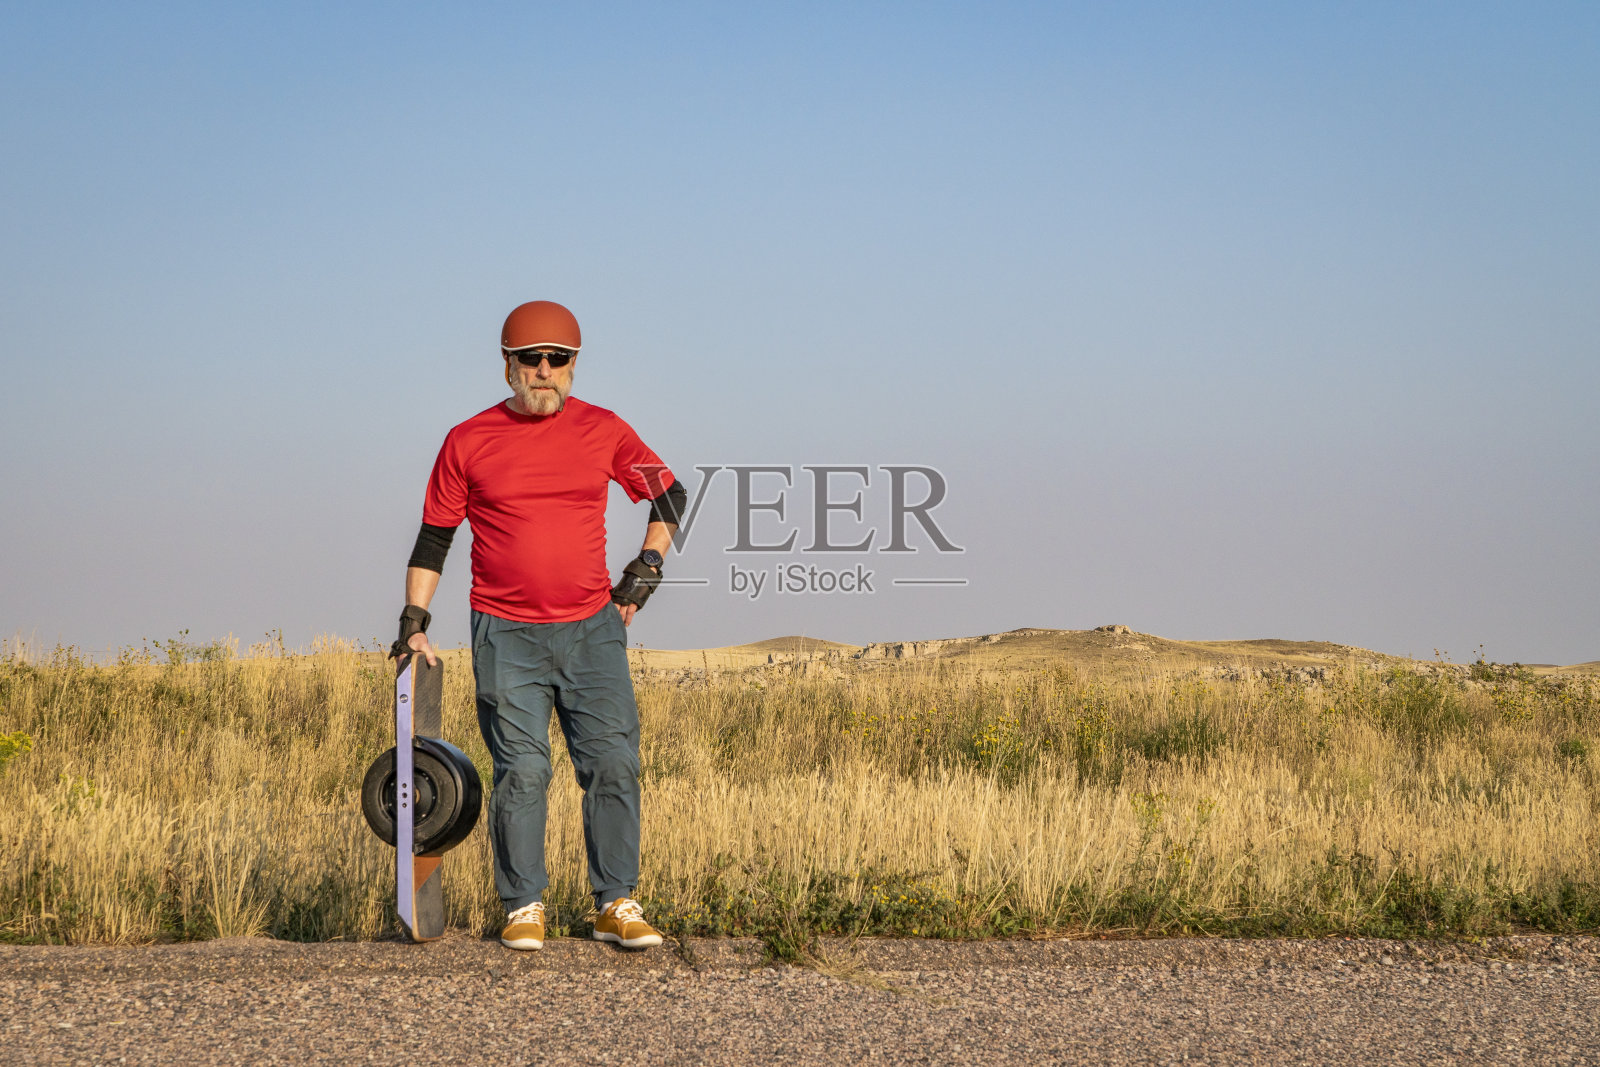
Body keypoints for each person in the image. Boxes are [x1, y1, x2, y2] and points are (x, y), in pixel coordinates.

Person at [392, 299, 686, 951]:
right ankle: (523, 904)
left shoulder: (605, 430)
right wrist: (415, 620)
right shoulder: (467, 440)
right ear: (508, 367)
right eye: (532, 359)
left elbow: (670, 492)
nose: (545, 369)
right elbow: (435, 536)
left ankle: (615, 902)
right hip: (506, 633)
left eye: (559, 359)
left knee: (613, 760)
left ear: (574, 366)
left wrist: (646, 571)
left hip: (592, 631)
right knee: (522, 770)